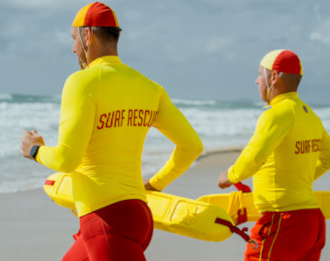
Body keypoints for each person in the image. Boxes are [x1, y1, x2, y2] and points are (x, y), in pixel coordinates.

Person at [20, 2, 203, 260]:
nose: (73, 48)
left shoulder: (81, 82)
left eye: (74, 39)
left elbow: (66, 159)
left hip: (106, 221)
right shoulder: (150, 88)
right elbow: (191, 146)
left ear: (87, 35)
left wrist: (35, 150)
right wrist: (155, 183)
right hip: (137, 216)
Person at [217, 49, 330, 261]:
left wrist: (230, 176)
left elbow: (254, 157)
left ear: (273, 77)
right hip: (313, 222)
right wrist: (296, 179)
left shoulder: (275, 114)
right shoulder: (309, 115)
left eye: (259, 74)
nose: (257, 81)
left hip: (283, 221)